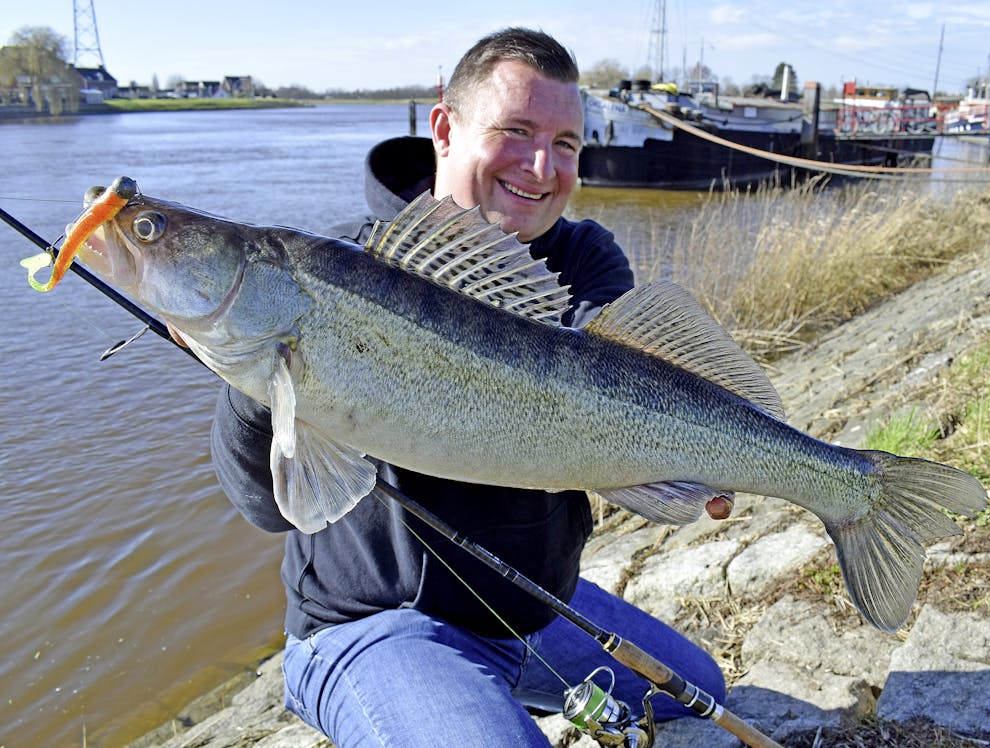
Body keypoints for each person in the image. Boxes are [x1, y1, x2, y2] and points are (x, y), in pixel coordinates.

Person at [211, 27, 729, 747]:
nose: (542, 165)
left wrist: (691, 464)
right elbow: (265, 508)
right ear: (444, 130)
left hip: (536, 611)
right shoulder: (329, 277)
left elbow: (607, 402)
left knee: (702, 691)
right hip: (376, 628)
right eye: (515, 130)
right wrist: (261, 371)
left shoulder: (581, 259)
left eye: (568, 143)